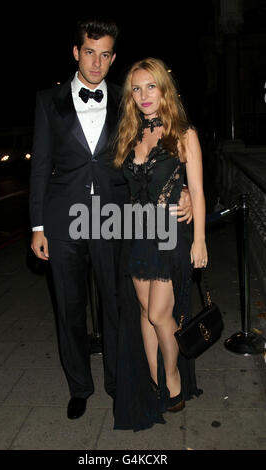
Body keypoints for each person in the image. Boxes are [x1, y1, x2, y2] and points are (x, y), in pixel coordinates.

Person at [30, 18, 193, 422]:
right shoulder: (48, 102)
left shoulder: (127, 99)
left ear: (113, 57)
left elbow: (158, 154)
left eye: (105, 55)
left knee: (118, 305)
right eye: (90, 52)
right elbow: (40, 167)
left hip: (115, 220)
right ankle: (79, 388)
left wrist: (183, 190)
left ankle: (120, 382)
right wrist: (37, 227)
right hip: (64, 220)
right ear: (76, 53)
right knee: (69, 307)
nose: (97, 62)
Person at [113, 58, 205, 431]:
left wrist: (199, 239)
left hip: (170, 236)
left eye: (151, 86)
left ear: (164, 88)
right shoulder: (131, 134)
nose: (143, 95)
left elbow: (197, 190)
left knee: (158, 315)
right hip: (136, 235)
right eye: (136, 89)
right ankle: (155, 383)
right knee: (144, 314)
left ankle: (173, 378)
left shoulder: (182, 133)